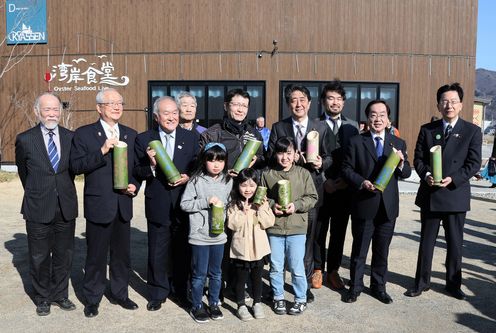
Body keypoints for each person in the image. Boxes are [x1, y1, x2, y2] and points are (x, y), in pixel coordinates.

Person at [406, 83, 482, 300]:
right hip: (431, 194)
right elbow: (418, 158)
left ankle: (453, 284)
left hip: (455, 194)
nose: (449, 105)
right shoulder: (427, 129)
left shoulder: (472, 131)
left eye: (453, 101)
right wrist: (426, 174)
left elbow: (474, 163)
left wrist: (454, 179)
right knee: (426, 243)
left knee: (455, 244)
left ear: (461, 104)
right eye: (444, 101)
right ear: (438, 104)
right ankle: (421, 283)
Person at [70, 88, 140, 318]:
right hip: (99, 205)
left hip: (123, 205)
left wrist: (134, 185)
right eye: (111, 103)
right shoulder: (84, 134)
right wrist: (102, 150)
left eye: (120, 102)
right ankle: (92, 298)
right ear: (99, 107)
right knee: (96, 256)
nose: (117, 106)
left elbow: (136, 169)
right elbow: (76, 166)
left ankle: (120, 293)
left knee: (122, 256)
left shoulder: (131, 134)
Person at [342, 100, 411, 304]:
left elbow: (406, 172)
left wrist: (400, 164)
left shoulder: (398, 143)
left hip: (388, 207)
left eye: (382, 114)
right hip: (364, 203)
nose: (378, 119)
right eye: (373, 114)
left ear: (388, 119)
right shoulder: (356, 141)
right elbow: (346, 169)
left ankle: (379, 287)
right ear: (368, 118)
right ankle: (355, 287)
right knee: (359, 250)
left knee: (382, 251)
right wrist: (361, 182)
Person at [15, 93, 78, 316]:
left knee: (64, 254)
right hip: (38, 206)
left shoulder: (71, 137)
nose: (52, 113)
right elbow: (24, 173)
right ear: (37, 111)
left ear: (61, 112)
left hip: (66, 205)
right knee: (39, 257)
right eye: (47, 109)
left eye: (56, 109)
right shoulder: (25, 139)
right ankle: (42, 297)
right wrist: (38, 192)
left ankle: (60, 294)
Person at [134, 96, 199, 311]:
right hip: (158, 202)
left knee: (183, 250)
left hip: (184, 202)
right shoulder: (144, 139)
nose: (171, 117)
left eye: (174, 113)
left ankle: (181, 291)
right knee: (157, 251)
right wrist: (151, 166)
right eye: (166, 113)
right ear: (156, 117)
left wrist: (189, 176)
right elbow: (136, 171)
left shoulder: (191, 138)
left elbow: (198, 166)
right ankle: (157, 292)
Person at [267, 84, 330, 302]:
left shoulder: (321, 127)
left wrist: (322, 162)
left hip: (309, 190)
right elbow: (269, 155)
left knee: (308, 240)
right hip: (282, 192)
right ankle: (277, 284)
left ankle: (302, 284)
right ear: (288, 104)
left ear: (310, 103)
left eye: (302, 99)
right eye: (293, 100)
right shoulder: (278, 127)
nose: (298, 104)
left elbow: (332, 155)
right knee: (279, 241)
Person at [261, 137, 318, 315]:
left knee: (296, 266)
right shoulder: (267, 174)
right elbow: (261, 198)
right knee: (276, 266)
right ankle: (278, 297)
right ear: (275, 154)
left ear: (296, 154)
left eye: (288, 153)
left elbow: (312, 197)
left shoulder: (303, 173)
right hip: (275, 228)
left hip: (296, 228)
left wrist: (297, 205)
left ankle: (300, 298)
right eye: (280, 152)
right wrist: (272, 205)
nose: (284, 157)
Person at [180, 143, 233, 323]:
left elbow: (230, 203)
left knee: (216, 273)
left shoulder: (228, 181)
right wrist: (205, 201)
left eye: (220, 160)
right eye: (211, 160)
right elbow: (184, 204)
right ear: (204, 161)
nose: (216, 164)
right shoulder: (196, 180)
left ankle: (214, 303)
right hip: (199, 236)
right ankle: (196, 305)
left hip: (219, 237)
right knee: (199, 274)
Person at [314, 80, 359, 291]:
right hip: (320, 187)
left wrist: (344, 182)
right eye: (331, 98)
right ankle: (316, 269)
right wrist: (325, 181)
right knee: (318, 231)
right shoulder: (313, 124)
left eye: (339, 99)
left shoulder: (353, 126)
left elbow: (357, 158)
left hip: (345, 188)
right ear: (323, 101)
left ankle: (333, 271)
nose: (335, 102)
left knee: (339, 232)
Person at [227, 168, 275, 321]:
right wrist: (243, 212)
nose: (248, 189)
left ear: (257, 187)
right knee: (241, 279)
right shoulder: (234, 204)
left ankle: (257, 303)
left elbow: (269, 222)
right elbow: (232, 225)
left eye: (252, 185)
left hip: (258, 249)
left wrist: (260, 209)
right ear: (238, 186)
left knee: (257, 277)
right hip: (241, 249)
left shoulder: (262, 202)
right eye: (244, 185)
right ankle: (241, 305)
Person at [200, 88, 265, 172]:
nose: (240, 110)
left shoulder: (254, 133)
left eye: (244, 106)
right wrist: (224, 174)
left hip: (247, 183)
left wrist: (257, 159)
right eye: (236, 104)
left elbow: (263, 160)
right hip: (222, 183)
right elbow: (201, 164)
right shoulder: (211, 134)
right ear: (226, 106)